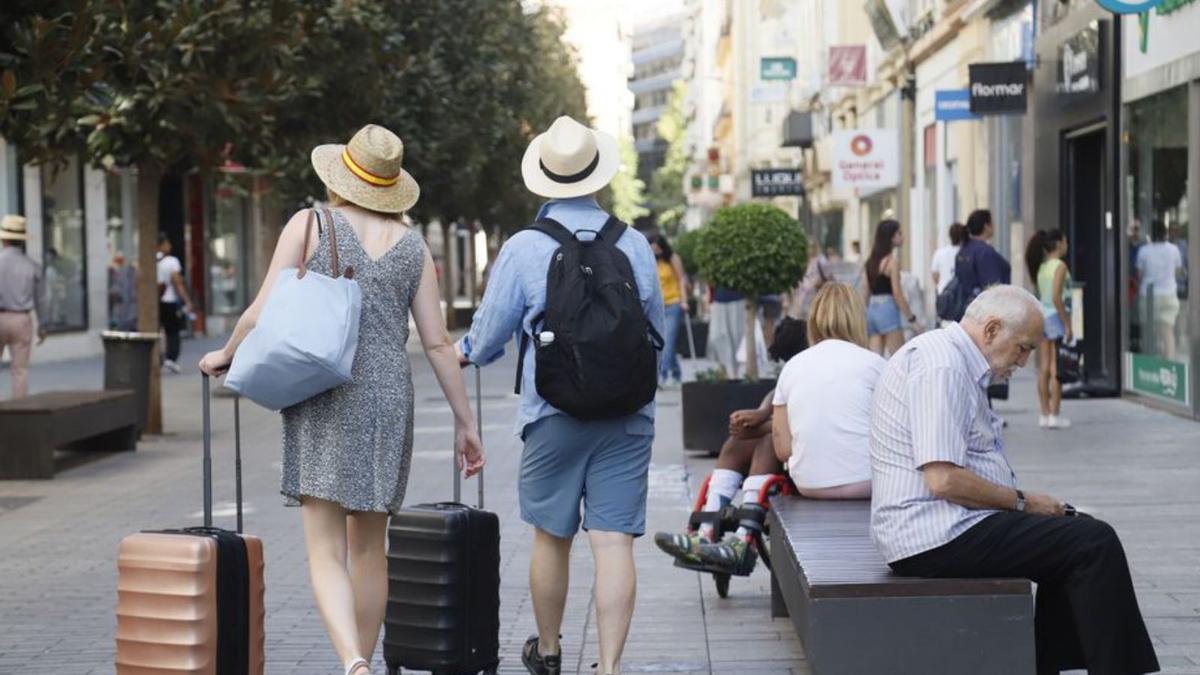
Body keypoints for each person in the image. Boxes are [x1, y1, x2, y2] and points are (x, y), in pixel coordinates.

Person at [200, 124, 485, 675]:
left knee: (325, 549)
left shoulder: (310, 223)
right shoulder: (414, 247)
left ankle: (353, 662)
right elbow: (437, 343)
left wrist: (226, 353)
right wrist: (465, 423)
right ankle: (364, 659)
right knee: (369, 549)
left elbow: (261, 308)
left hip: (323, 389)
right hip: (387, 396)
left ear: (340, 176)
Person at [456, 116, 664, 675]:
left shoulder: (525, 247)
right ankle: (610, 668)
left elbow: (489, 331)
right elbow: (656, 333)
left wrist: (464, 353)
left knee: (551, 536)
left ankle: (548, 653)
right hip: (628, 414)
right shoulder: (635, 243)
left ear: (545, 179)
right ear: (596, 175)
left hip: (553, 413)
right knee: (614, 541)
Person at [870, 285, 1159, 675]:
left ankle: (1048, 667)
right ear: (991, 329)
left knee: (1074, 537)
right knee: (1093, 543)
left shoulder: (953, 359)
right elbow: (942, 480)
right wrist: (1024, 502)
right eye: (1023, 348)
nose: (1023, 362)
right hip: (933, 533)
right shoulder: (944, 366)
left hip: (945, 525)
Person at [653, 318, 808, 572]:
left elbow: (803, 421)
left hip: (804, 452)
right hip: (787, 443)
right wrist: (759, 413)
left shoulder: (818, 369)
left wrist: (762, 425)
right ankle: (704, 532)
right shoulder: (796, 371)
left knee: (768, 441)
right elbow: (778, 394)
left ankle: (743, 540)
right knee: (737, 444)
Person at [1025, 229, 1072, 429]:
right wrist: (1068, 324)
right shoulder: (1060, 266)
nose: (1067, 245)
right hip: (1055, 318)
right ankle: (1055, 413)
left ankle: (1044, 414)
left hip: (1042, 317)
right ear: (1059, 243)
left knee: (1043, 367)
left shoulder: (1042, 267)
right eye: (1065, 241)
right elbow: (1056, 297)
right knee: (1056, 368)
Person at [0, 215, 48, 399]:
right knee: (19, 371)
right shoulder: (32, 266)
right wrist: (43, 325)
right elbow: (41, 299)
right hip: (21, 319)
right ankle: (19, 413)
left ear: (3, 238)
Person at [863, 219, 919, 356]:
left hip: (872, 310)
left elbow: (865, 292)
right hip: (887, 309)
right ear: (891, 237)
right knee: (900, 358)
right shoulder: (892, 262)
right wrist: (912, 319)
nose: (902, 236)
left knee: (875, 359)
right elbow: (897, 294)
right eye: (899, 233)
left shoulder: (870, 262)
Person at [1135, 219, 1183, 360]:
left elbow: (1139, 275)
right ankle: (1168, 364)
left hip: (1148, 296)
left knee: (1149, 332)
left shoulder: (1144, 250)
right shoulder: (1174, 250)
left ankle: (1150, 366)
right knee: (1167, 332)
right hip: (1168, 294)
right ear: (1165, 233)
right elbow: (1178, 271)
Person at [649, 233, 690, 388]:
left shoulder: (673, 258)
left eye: (658, 249)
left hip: (673, 304)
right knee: (661, 343)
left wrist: (684, 301)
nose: (656, 251)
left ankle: (664, 375)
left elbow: (682, 279)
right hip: (657, 306)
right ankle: (676, 374)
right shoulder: (650, 260)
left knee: (668, 343)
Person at [156, 233, 195, 374]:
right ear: (161, 245)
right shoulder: (171, 261)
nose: (170, 246)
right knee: (173, 331)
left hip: (156, 302)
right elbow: (177, 283)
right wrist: (187, 301)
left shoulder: (152, 261)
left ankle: (159, 358)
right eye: (167, 243)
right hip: (169, 301)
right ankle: (170, 358)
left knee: (159, 331)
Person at [955, 208, 1011, 296]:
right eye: (992, 222)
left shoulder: (964, 250)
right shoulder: (984, 252)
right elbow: (993, 287)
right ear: (986, 226)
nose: (994, 225)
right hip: (984, 306)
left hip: (968, 306)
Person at [707, 285, 745, 378]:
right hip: (718, 300)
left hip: (737, 298)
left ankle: (733, 373)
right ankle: (726, 370)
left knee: (736, 337)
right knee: (716, 336)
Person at [930, 222, 965, 296]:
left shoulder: (939, 253)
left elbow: (935, 276)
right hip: (962, 295)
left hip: (943, 292)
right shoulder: (966, 252)